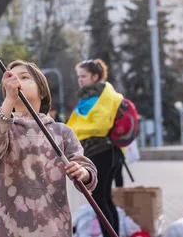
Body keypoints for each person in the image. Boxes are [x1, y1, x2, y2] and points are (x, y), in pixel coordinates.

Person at [0, 60, 98, 237]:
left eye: (25, 77)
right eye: (10, 79)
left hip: (54, 227)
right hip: (9, 229)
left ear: (42, 90)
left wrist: (82, 172)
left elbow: (87, 173)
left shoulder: (62, 132)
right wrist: (9, 100)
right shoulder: (4, 129)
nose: (16, 81)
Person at [67, 59, 123, 237]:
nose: (80, 80)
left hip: (102, 152)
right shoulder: (90, 97)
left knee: (99, 200)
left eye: (84, 76)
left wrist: (72, 130)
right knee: (105, 198)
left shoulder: (101, 97)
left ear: (95, 76)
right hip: (106, 152)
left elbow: (100, 125)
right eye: (78, 76)